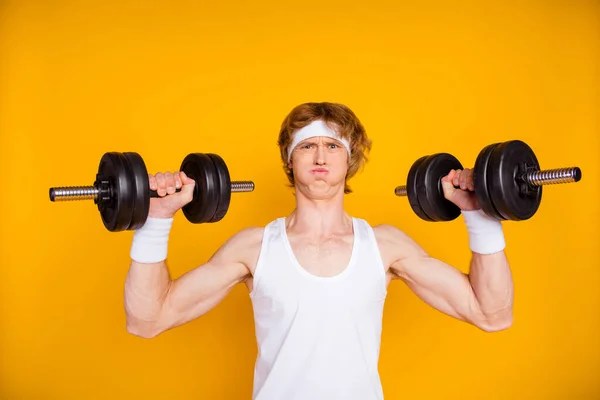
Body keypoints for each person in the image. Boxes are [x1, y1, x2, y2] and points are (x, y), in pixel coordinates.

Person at [124, 102, 514, 400]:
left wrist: (479, 216)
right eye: (307, 145)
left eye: (332, 145)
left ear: (351, 157)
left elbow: (491, 313)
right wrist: (155, 222)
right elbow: (148, 320)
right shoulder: (255, 247)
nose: (321, 157)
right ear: (289, 159)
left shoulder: (384, 246)